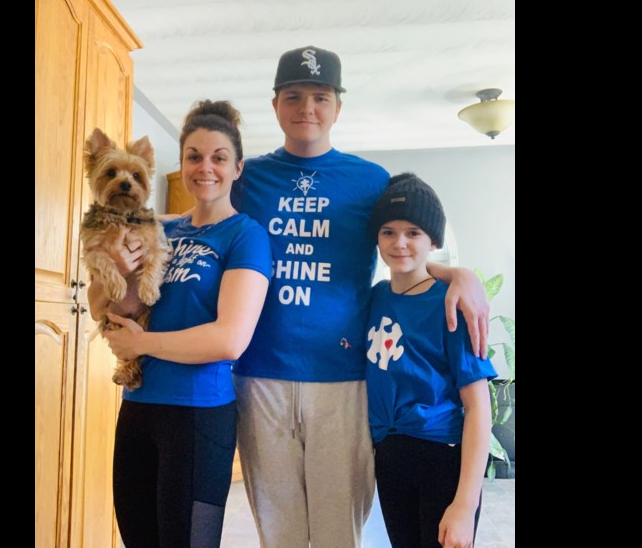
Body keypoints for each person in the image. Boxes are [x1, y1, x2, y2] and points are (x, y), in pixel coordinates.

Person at [229, 46, 491, 547]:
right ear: (276, 104)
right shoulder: (248, 178)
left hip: (344, 379)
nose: (307, 107)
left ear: (338, 108)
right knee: (279, 532)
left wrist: (457, 273)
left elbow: (411, 239)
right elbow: (208, 221)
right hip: (260, 373)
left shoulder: (370, 181)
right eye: (294, 95)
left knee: (337, 532)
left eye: (320, 96)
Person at [88, 100, 272, 548]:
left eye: (218, 158)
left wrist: (141, 344)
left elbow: (230, 340)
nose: (204, 168)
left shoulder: (245, 235)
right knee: (138, 537)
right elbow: (97, 306)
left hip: (198, 414)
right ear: (181, 164)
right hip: (138, 406)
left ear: (237, 167)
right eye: (193, 156)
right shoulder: (160, 228)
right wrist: (112, 266)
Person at [366, 173, 496, 548]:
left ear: (433, 240)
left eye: (413, 233)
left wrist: (465, 504)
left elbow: (478, 407)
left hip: (442, 459)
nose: (399, 242)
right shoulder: (374, 299)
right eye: (388, 231)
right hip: (389, 460)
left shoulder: (454, 304)